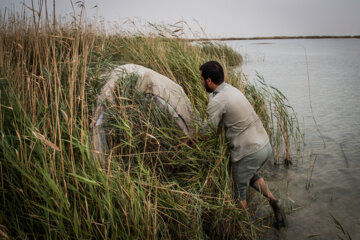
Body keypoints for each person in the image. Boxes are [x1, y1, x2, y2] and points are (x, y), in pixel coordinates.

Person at [199, 61, 286, 228]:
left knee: (238, 191)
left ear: (209, 81)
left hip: (249, 151)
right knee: (250, 174)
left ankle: (241, 228)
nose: (201, 82)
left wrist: (187, 141)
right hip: (264, 146)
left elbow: (205, 132)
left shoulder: (218, 101)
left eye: (202, 79)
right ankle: (275, 201)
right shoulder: (231, 90)